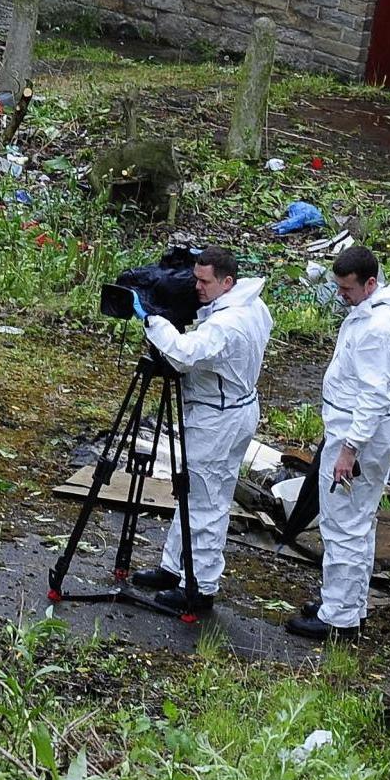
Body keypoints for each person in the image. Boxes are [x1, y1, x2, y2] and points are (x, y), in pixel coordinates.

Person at [129, 248, 273, 618]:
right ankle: (174, 568)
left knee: (207, 502)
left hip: (217, 418)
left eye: (204, 281)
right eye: (195, 278)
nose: (197, 287)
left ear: (227, 282)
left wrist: (152, 319)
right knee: (192, 493)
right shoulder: (253, 307)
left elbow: (183, 354)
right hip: (231, 408)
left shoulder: (228, 324)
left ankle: (199, 586)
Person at [286, 245, 390, 641]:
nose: (342, 295)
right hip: (366, 427)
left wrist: (349, 449)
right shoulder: (381, 311)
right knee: (358, 523)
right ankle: (347, 605)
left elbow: (373, 394)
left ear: (370, 283)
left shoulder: (376, 328)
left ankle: (337, 617)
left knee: (342, 526)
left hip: (360, 432)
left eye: (347, 289)